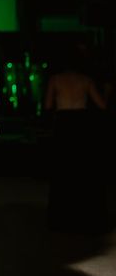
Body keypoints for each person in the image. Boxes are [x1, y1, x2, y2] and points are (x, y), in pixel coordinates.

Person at [44, 46, 109, 233]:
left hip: (64, 124)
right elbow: (102, 105)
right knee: (82, 172)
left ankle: (62, 219)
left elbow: (48, 105)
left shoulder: (55, 80)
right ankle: (84, 219)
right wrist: (106, 91)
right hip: (81, 126)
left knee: (63, 172)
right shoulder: (86, 80)